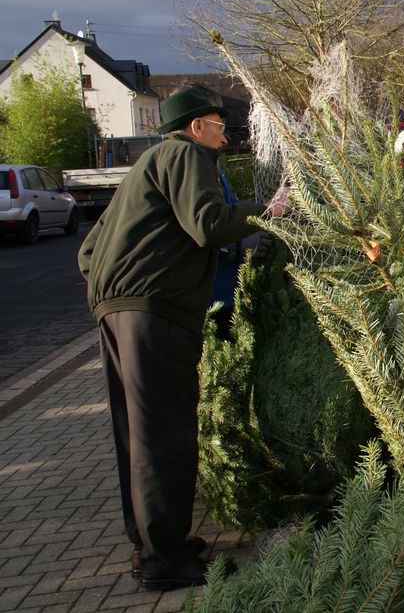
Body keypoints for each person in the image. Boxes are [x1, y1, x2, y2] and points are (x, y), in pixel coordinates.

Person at [78, 85, 287, 590]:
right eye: (219, 126)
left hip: (116, 311)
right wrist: (268, 211)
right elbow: (208, 223)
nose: (225, 136)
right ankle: (162, 560)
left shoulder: (145, 167)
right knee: (164, 432)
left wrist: (118, 292)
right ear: (196, 127)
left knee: (135, 430)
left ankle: (152, 543)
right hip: (155, 314)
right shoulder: (186, 155)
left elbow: (87, 251)